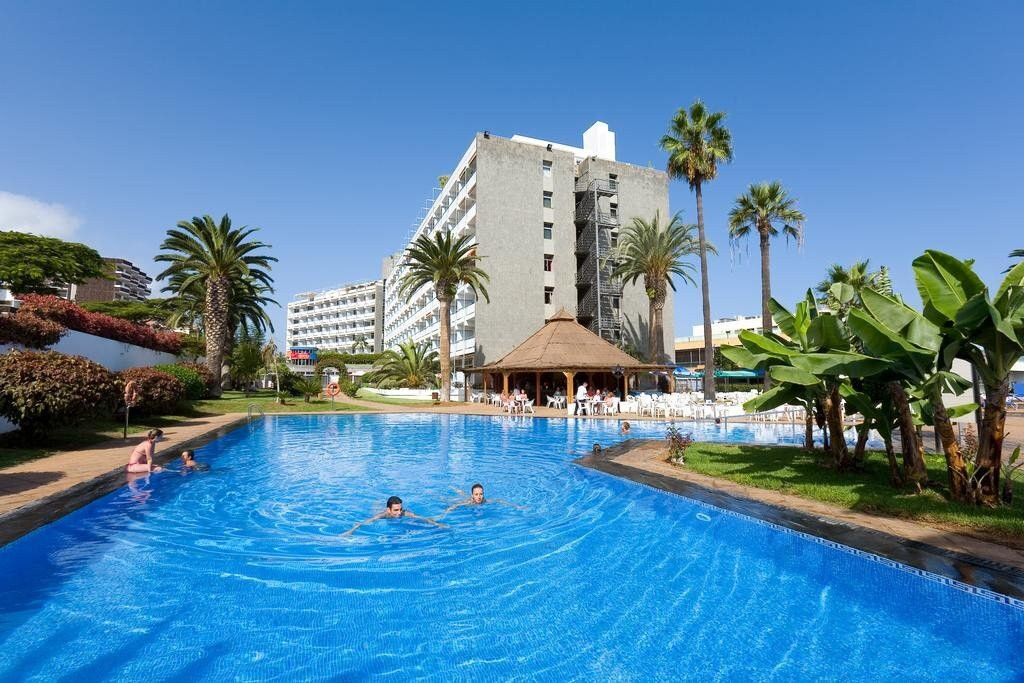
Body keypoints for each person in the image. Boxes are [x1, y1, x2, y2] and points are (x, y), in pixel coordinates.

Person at [342, 496, 446, 536]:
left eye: (400, 509)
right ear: (389, 510)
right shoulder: (383, 515)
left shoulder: (405, 513)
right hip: (377, 509)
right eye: (396, 510)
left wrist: (438, 524)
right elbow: (363, 522)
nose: (399, 513)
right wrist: (349, 532)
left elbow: (423, 518)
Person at [442, 484, 523, 516]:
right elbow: (455, 505)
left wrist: (517, 506)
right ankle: (454, 488)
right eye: (476, 494)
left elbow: (500, 501)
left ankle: (456, 489)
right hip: (467, 500)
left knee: (464, 494)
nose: (479, 497)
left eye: (481, 494)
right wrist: (444, 514)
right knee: (447, 499)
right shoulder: (468, 502)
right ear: (473, 495)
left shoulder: (485, 501)